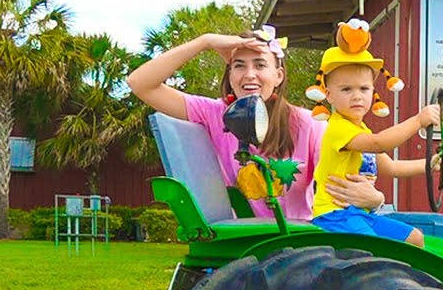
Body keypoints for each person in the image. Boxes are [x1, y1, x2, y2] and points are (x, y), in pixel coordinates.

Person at [126, 27, 391, 218]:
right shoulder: (214, 113)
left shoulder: (309, 124)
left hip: (299, 244)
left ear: (278, 75)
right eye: (239, 65)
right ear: (230, 75)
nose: (249, 75)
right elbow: (140, 83)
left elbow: (343, 185)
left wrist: (375, 199)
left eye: (260, 64)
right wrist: (204, 42)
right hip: (242, 243)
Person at [309, 44, 441, 246]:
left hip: (357, 213)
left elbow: (392, 167)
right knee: (378, 250)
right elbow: (379, 143)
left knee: (415, 238)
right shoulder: (338, 128)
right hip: (334, 215)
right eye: (346, 89)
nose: (357, 96)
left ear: (372, 91)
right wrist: (418, 121)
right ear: (329, 95)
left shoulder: (360, 130)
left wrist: (430, 163)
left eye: (364, 88)